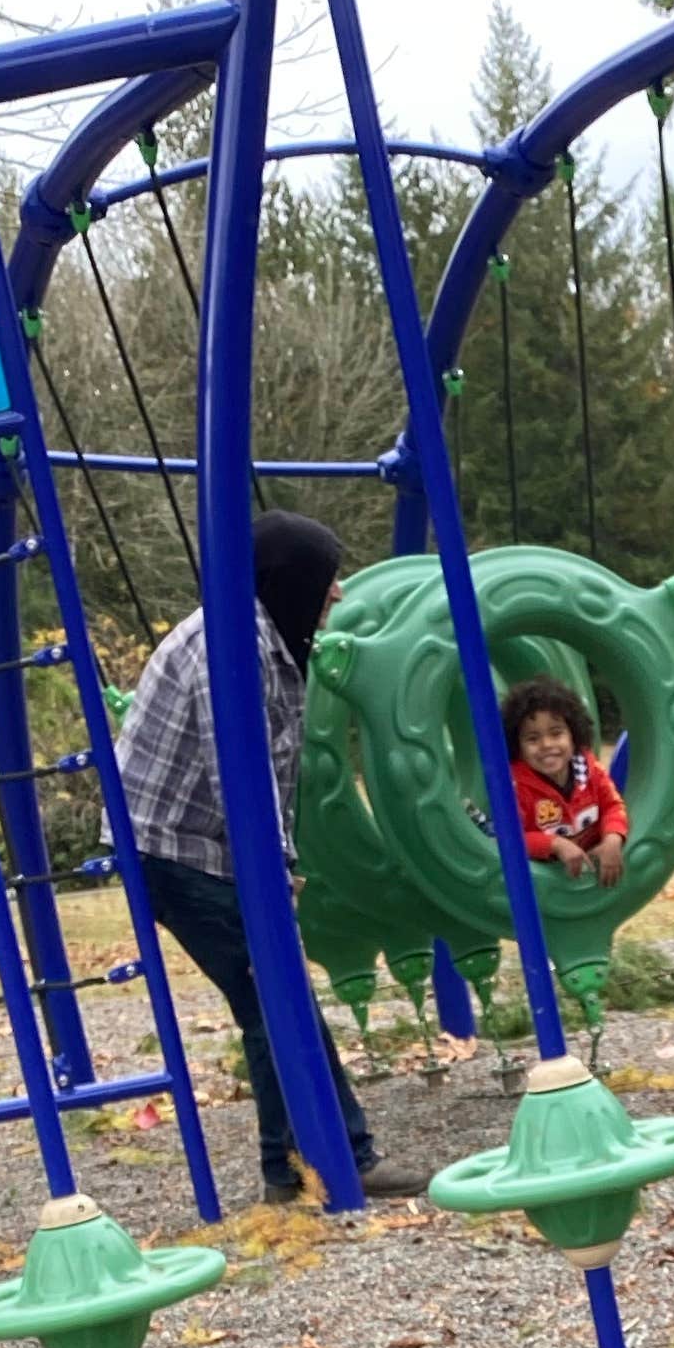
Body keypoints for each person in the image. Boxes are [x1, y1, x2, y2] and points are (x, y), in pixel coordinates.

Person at [111, 513, 424, 1205]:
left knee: (275, 994)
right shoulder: (232, 648)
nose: (338, 592)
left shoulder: (265, 636)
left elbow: (273, 771)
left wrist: (276, 863)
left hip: (201, 844)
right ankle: (317, 1164)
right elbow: (240, 773)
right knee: (270, 994)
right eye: (327, 577)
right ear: (292, 581)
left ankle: (309, 1162)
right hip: (170, 849)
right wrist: (270, 878)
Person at [503, 674, 628, 887]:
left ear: (573, 735)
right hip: (542, 883)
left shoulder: (590, 769)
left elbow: (612, 806)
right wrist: (555, 844)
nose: (546, 744)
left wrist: (613, 837)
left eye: (556, 733)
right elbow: (511, 838)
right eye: (532, 738)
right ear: (518, 746)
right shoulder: (515, 785)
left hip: (588, 879)